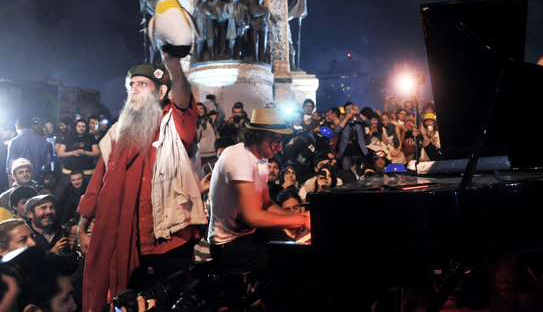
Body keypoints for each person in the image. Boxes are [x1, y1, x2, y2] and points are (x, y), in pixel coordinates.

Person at [77, 57, 206, 312]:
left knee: (173, 302)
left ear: (161, 92)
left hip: (172, 235)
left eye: (142, 84)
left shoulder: (176, 124)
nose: (134, 90)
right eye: (131, 85)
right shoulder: (117, 133)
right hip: (129, 236)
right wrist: (82, 225)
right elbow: (98, 183)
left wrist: (174, 65)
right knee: (129, 303)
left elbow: (183, 100)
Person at [208, 108, 310, 277]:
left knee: (296, 248)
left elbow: (266, 204)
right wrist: (301, 220)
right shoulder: (237, 157)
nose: (279, 148)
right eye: (276, 141)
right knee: (294, 262)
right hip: (228, 245)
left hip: (250, 234)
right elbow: (252, 216)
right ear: (259, 135)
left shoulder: (262, 160)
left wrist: (299, 220)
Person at [6, 116, 54, 185]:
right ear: (31, 126)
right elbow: (47, 162)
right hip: (37, 180)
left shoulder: (14, 142)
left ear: (17, 126)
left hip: (20, 181)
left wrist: (11, 186)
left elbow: (10, 167)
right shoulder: (43, 141)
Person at [55, 119, 100, 184]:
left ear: (86, 127)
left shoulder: (91, 138)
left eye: (83, 126)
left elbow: (97, 153)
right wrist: (72, 153)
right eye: (79, 126)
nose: (81, 128)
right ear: (75, 127)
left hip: (87, 170)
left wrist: (84, 152)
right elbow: (59, 153)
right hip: (70, 170)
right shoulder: (68, 138)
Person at [333, 102, 371, 171]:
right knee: (347, 173)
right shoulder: (342, 121)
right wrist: (346, 119)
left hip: (359, 152)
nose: (349, 111)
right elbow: (337, 130)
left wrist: (358, 112)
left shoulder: (359, 119)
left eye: (351, 108)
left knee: (361, 171)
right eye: (347, 109)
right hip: (346, 153)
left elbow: (368, 123)